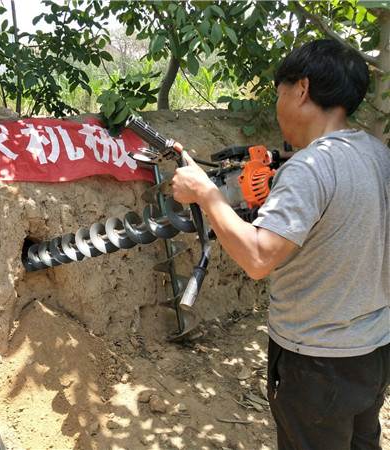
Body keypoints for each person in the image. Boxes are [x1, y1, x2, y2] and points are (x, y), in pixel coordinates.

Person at [171, 39, 390, 450]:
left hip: (316, 363)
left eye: (279, 94)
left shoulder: (311, 167)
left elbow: (258, 259)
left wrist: (206, 194)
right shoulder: (378, 154)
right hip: (373, 351)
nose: (278, 105)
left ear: (301, 89)